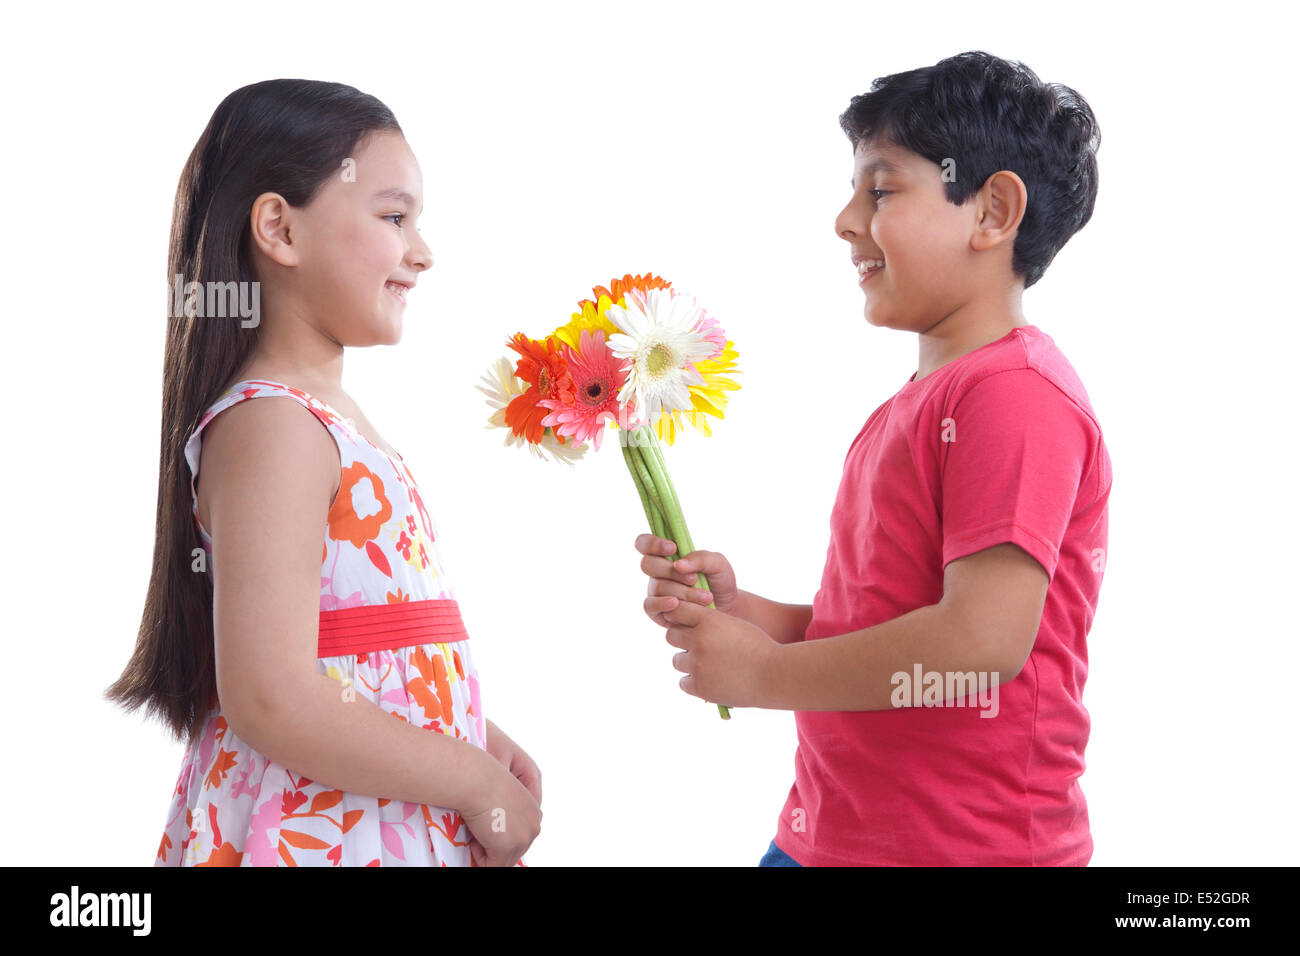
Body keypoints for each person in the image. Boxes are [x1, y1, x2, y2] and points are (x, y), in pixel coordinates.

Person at [635, 51, 1110, 866]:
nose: (845, 220)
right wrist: (750, 617)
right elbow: (872, 633)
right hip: (827, 836)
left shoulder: (1014, 395)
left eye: (881, 191)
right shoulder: (922, 404)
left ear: (993, 210)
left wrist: (764, 677)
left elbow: (979, 643)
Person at [106, 79, 541, 867]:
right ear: (280, 228)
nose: (422, 252)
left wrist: (468, 728)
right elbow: (273, 695)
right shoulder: (274, 425)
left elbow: (352, 649)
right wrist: (475, 781)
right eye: (394, 217)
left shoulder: (330, 422)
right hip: (316, 833)